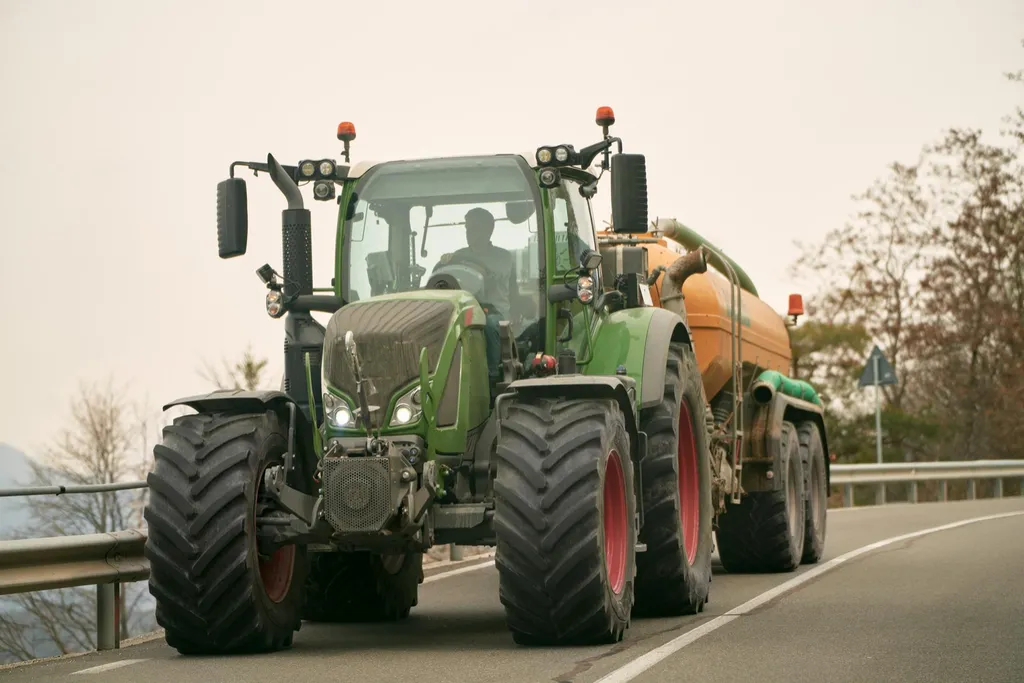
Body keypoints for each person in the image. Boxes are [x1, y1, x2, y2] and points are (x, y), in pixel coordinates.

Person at [438, 208, 517, 389]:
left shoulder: (502, 257)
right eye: (468, 228)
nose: (470, 233)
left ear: (489, 229)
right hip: (464, 309)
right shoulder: (457, 256)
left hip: (494, 311)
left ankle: (491, 377)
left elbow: (491, 279)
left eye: (475, 228)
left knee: (488, 325)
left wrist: (469, 264)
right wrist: (446, 263)